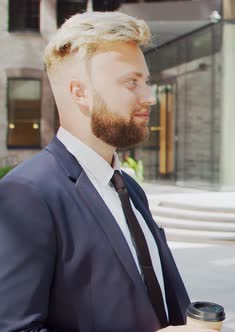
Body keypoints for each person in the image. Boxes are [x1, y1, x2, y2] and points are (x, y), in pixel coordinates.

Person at [0, 12, 215, 332]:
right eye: (132, 82)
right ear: (80, 93)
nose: (150, 97)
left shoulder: (129, 186)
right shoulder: (26, 193)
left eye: (147, 82)